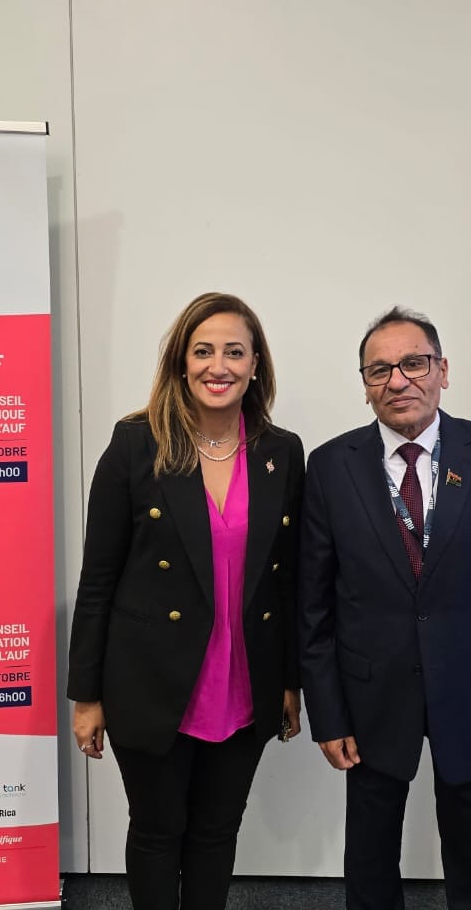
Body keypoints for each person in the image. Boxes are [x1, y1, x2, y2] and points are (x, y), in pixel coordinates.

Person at [298, 307, 471, 910]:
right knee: (370, 837)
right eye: (379, 369)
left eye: (413, 363)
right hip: (371, 689)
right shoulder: (331, 467)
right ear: (365, 386)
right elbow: (313, 604)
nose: (398, 380)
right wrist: (327, 714)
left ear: (442, 371)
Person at [67, 293, 304, 910]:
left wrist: (290, 681)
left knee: (216, 832)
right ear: (180, 362)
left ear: (256, 365)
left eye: (234, 351)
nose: (217, 366)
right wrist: (86, 696)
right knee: (156, 832)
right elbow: (98, 580)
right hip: (151, 680)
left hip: (246, 680)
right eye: (203, 351)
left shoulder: (283, 452)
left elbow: (288, 580)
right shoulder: (134, 445)